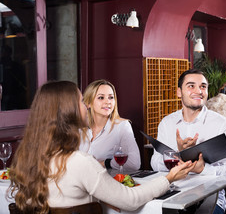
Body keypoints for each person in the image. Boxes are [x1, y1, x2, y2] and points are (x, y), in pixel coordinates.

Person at [8, 80, 196, 213]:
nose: (85, 106)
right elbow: (131, 201)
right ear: (68, 111)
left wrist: (102, 196)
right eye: (81, 101)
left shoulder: (27, 158)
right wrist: (169, 178)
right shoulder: (78, 162)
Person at [151, 69, 226, 214]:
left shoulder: (222, 124)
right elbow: (154, 162)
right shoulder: (167, 123)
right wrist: (177, 157)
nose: (198, 91)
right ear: (179, 92)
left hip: (209, 199)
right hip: (171, 196)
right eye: (191, 86)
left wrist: (204, 169)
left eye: (203, 86)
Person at [79, 79, 140, 172]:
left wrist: (105, 163)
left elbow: (134, 163)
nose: (108, 102)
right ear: (88, 103)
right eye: (101, 98)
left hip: (108, 183)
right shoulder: (79, 128)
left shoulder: (122, 126)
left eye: (111, 97)